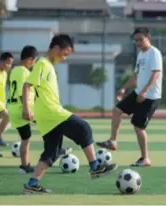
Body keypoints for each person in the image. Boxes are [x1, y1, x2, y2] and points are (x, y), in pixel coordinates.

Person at [22, 34, 118, 193]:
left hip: (46, 116)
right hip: (50, 111)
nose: (64, 58)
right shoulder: (43, 64)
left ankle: (32, 184)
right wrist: (26, 108)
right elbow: (27, 85)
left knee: (51, 152)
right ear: (56, 48)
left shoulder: (48, 66)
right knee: (84, 128)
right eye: (64, 54)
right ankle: (95, 167)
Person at [96, 27, 163, 167]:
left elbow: (156, 74)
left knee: (138, 127)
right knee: (117, 110)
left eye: (140, 40)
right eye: (136, 40)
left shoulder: (154, 53)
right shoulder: (141, 55)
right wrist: (123, 89)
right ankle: (113, 141)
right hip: (138, 93)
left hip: (150, 97)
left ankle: (145, 158)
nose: (138, 43)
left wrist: (144, 91)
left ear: (148, 38)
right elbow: (136, 75)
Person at [7, 45, 72, 173]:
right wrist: (26, 109)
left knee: (41, 129)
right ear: (31, 59)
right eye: (35, 61)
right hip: (23, 109)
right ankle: (26, 165)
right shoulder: (25, 73)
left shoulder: (15, 70)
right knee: (47, 125)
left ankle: (53, 151)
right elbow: (22, 92)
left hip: (14, 108)